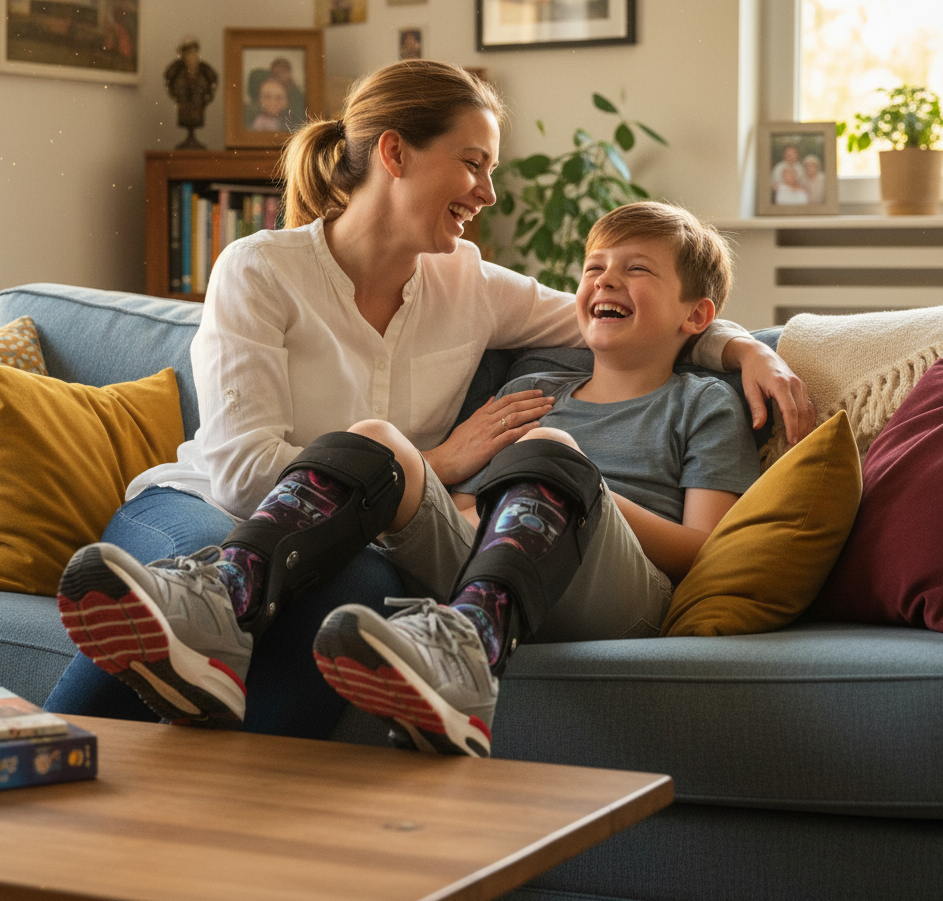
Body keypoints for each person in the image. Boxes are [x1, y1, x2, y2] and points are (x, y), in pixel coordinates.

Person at [46, 60, 813, 742]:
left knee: (354, 588)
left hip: (385, 541)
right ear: (395, 154)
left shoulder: (469, 283)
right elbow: (242, 473)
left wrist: (746, 349)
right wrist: (439, 465)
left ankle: (242, 788)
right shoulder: (259, 270)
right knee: (291, 520)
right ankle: (87, 719)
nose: (489, 191)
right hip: (207, 504)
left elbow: (614, 323)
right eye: (473, 163)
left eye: (490, 168)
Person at [311, 201, 760, 756]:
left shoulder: (705, 403)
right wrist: (500, 507)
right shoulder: (530, 394)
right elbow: (463, 507)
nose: (607, 279)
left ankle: (467, 651)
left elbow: (704, 550)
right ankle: (236, 590)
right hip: (490, 563)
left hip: (620, 595)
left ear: (695, 316)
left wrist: (583, 493)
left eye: (637, 268)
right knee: (374, 440)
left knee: (550, 448)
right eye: (594, 267)